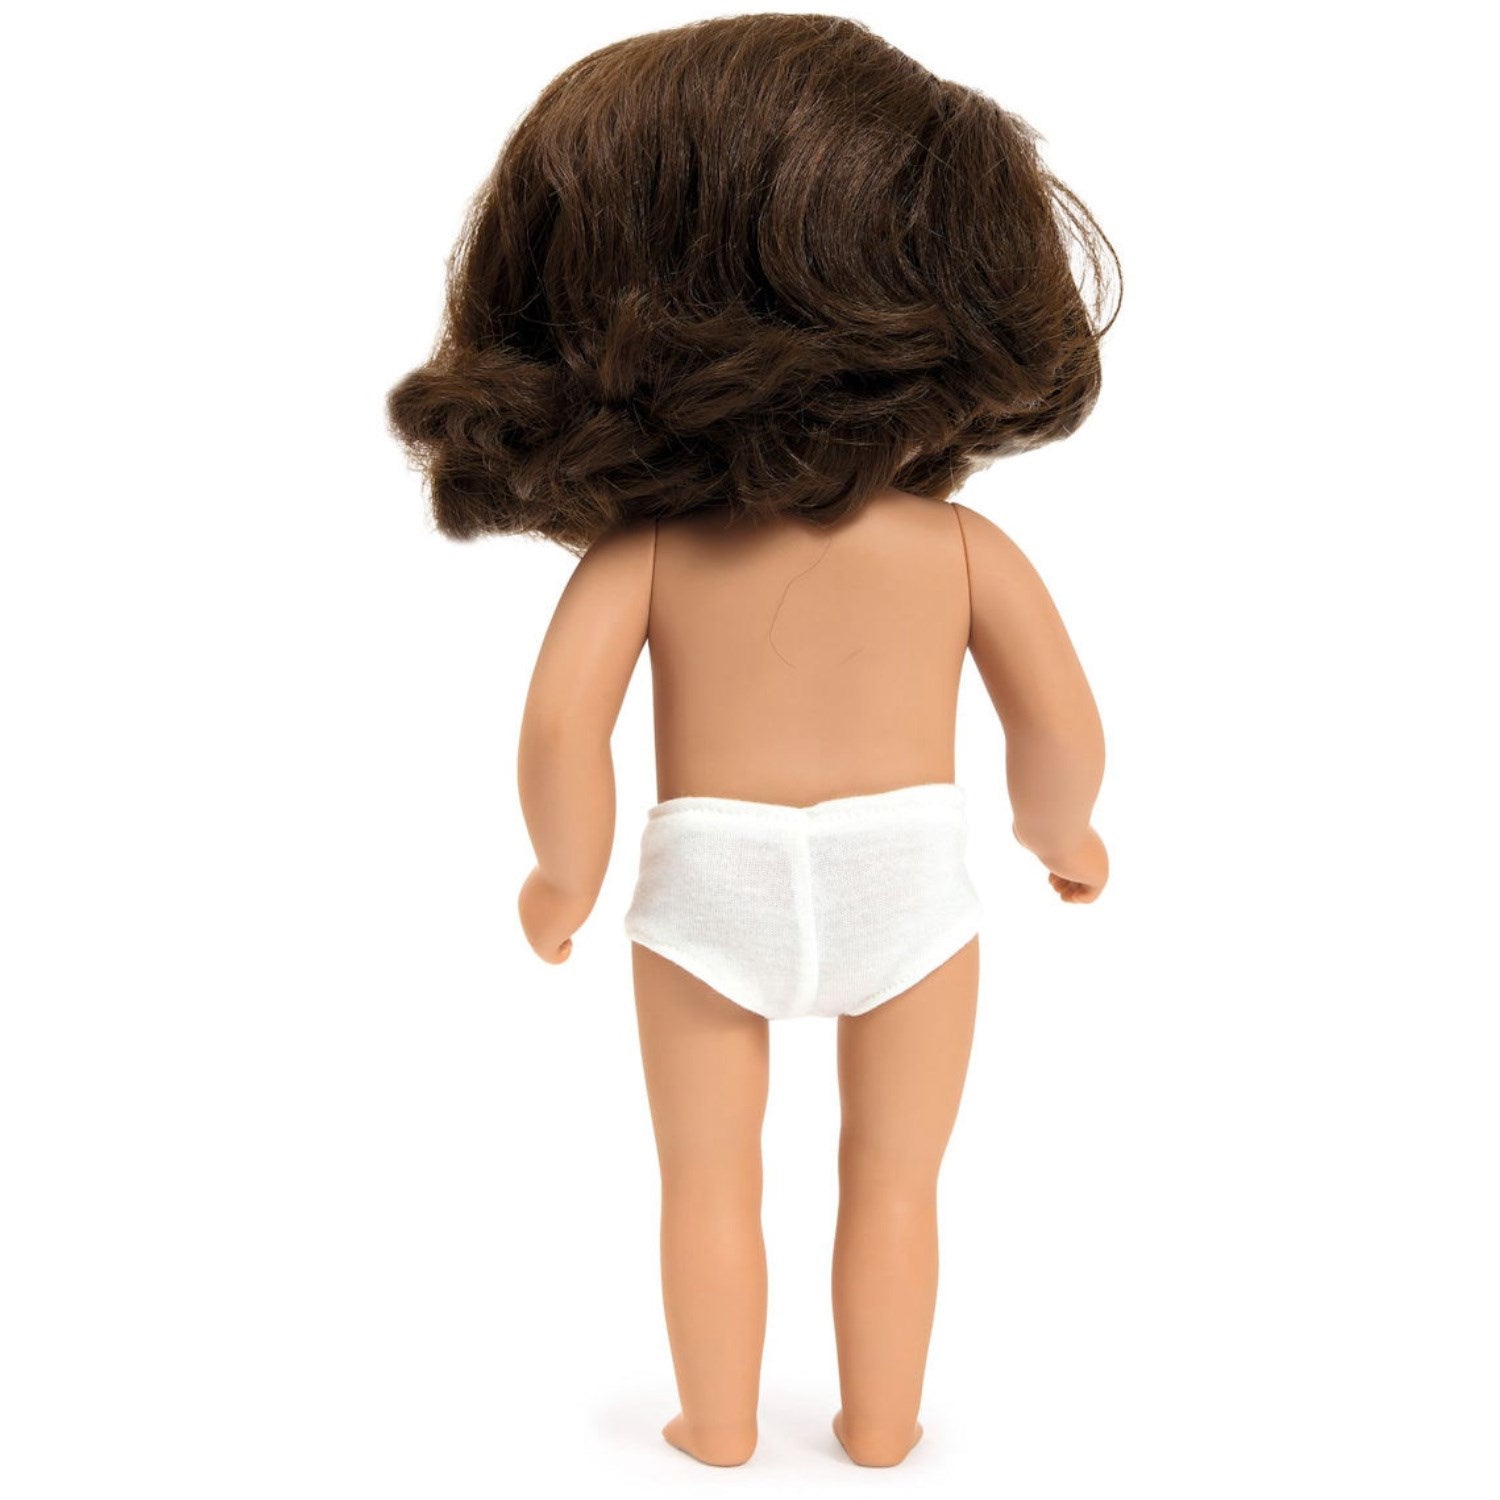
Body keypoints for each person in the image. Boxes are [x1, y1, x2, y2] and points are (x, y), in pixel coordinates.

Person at [387, 11, 1117, 1469]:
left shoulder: (651, 554)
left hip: (705, 880)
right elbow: (1057, 725)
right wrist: (1065, 833)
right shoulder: (958, 551)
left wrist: (562, 877)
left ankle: (716, 1427)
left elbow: (563, 728)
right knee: (896, 1180)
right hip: (907, 876)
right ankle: (882, 1427)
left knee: (705, 1179)